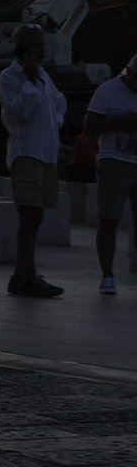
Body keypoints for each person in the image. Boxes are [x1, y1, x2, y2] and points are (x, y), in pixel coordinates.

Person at [0, 24, 65, 297]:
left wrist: (56, 127)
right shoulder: (10, 77)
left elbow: (59, 104)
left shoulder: (44, 76)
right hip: (26, 152)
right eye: (37, 45)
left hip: (46, 153)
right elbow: (18, 113)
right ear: (25, 49)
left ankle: (19, 276)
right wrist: (28, 78)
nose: (43, 49)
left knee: (36, 215)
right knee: (30, 214)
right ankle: (28, 276)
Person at [83, 51, 137, 294]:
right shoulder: (108, 90)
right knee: (109, 219)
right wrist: (123, 120)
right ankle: (107, 276)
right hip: (114, 160)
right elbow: (90, 127)